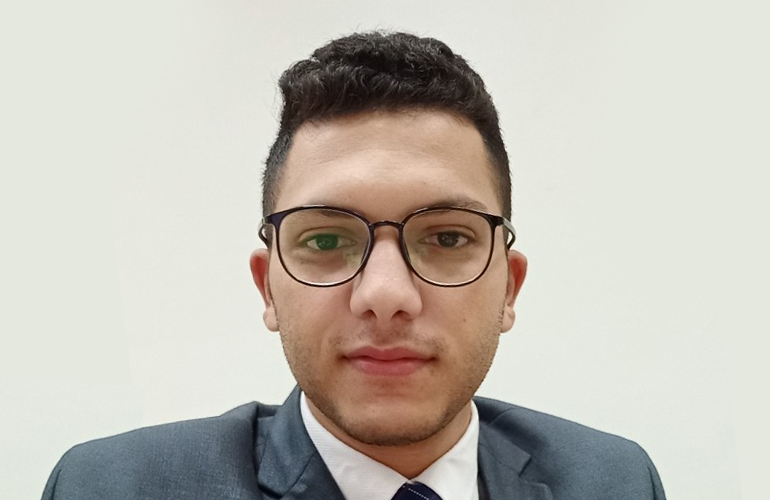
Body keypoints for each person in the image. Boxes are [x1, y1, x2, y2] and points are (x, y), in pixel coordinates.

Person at [41, 31, 665, 500]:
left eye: (448, 237)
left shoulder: (614, 481)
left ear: (510, 288)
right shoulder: (114, 487)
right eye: (325, 240)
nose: (386, 294)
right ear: (267, 287)